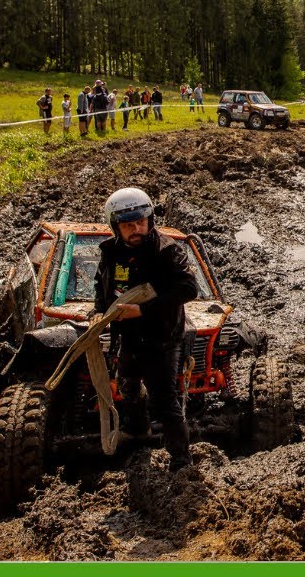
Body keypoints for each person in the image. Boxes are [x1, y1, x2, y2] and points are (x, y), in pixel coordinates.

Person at [93, 188, 199, 472]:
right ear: (116, 227)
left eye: (141, 222)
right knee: (126, 384)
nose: (137, 229)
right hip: (128, 335)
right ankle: (137, 428)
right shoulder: (110, 252)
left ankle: (181, 461)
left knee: (165, 400)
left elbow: (189, 288)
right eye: (129, 225)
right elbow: (101, 286)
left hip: (162, 337)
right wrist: (98, 311)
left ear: (150, 219)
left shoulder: (167, 251)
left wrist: (143, 309)